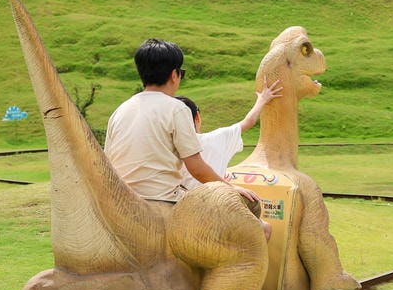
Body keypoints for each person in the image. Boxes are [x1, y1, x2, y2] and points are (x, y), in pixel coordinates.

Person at [103, 38, 262, 212]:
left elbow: (107, 164)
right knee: (250, 207)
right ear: (174, 75)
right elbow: (196, 167)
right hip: (162, 202)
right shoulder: (176, 109)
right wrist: (230, 188)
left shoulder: (120, 111)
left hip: (119, 202)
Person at [176, 77, 282, 177]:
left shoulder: (169, 146)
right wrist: (262, 99)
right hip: (216, 190)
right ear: (197, 118)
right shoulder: (218, 137)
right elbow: (248, 122)